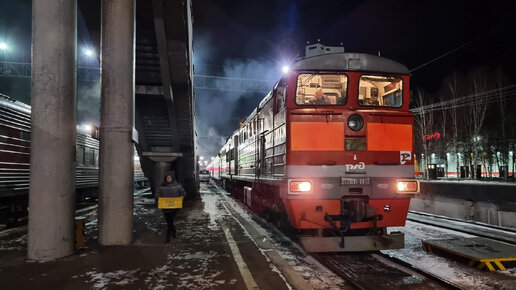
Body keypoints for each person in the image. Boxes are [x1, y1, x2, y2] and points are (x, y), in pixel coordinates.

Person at [157, 171, 186, 242]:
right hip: (165, 206)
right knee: (169, 221)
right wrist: (158, 197)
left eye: (170, 177)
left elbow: (183, 193)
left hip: (174, 207)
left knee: (170, 221)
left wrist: (182, 197)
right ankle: (174, 232)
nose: (168, 179)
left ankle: (168, 238)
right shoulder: (162, 186)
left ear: (172, 178)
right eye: (167, 177)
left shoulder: (178, 186)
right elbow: (158, 194)